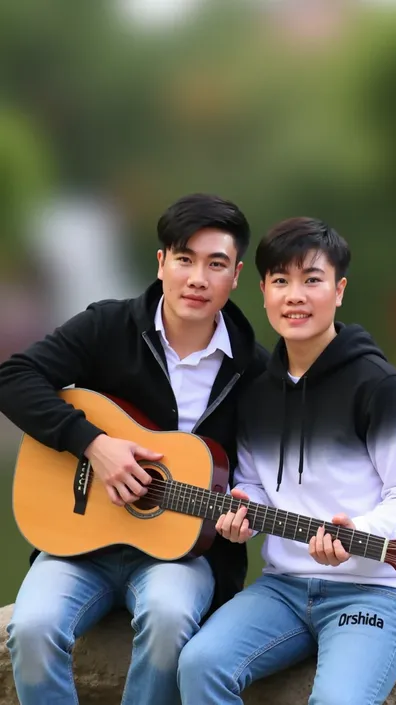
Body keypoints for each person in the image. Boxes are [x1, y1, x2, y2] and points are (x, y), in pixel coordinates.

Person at [0, 193, 269, 705]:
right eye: (185, 259)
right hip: (77, 542)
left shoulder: (257, 372)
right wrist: (93, 445)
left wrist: (248, 508)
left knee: (169, 623)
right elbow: (13, 378)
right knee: (31, 629)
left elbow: (264, 475)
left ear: (235, 277)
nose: (197, 278)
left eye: (216, 265)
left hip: (183, 555)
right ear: (162, 262)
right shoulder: (109, 326)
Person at [177, 216, 396, 705]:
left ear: (339, 290)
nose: (294, 295)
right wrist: (241, 511)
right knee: (200, 665)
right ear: (262, 292)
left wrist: (356, 533)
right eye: (281, 281)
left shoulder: (381, 389)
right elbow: (254, 484)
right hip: (284, 587)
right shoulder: (255, 394)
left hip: (375, 590)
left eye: (311, 280)